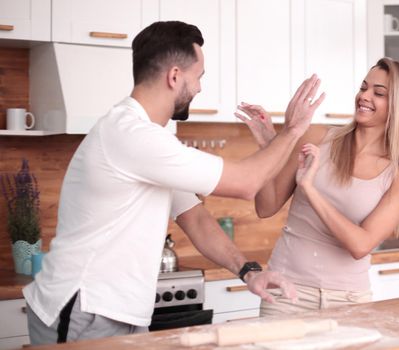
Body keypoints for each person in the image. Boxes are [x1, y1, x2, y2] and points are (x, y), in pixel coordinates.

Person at [22, 21, 325, 345]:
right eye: (199, 77)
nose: (199, 88)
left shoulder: (152, 140)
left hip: (116, 311)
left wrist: (248, 271)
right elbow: (248, 183)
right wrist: (292, 131)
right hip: (84, 307)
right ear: (175, 76)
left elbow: (194, 218)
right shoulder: (133, 135)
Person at [235, 57, 399, 316]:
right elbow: (266, 206)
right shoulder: (318, 138)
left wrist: (311, 190)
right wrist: (268, 146)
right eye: (363, 87)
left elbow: (360, 245)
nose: (364, 96)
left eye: (378, 92)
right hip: (286, 292)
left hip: (349, 299)